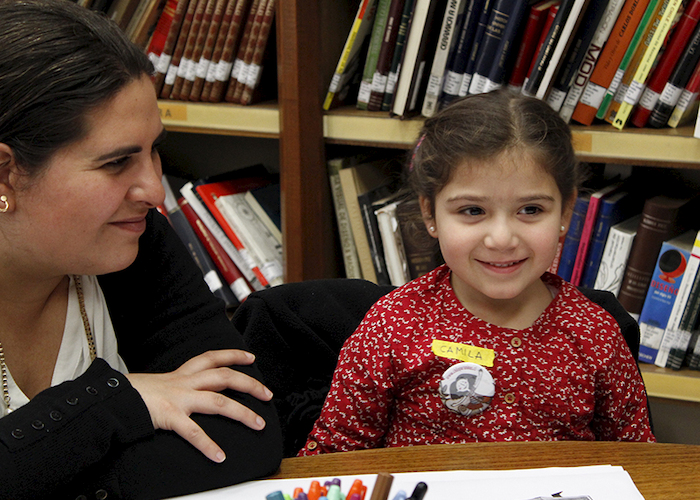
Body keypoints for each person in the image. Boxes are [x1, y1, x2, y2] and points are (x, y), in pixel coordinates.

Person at [0, 0, 282, 498]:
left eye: (155, 150)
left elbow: (245, 431)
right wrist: (115, 402)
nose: (155, 191)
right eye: (116, 163)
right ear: (5, 173)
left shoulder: (131, 237)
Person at [299, 90, 655, 456]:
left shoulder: (594, 334)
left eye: (531, 209)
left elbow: (638, 461)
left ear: (565, 213)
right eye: (472, 211)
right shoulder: (394, 326)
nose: (502, 239)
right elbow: (331, 457)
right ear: (429, 214)